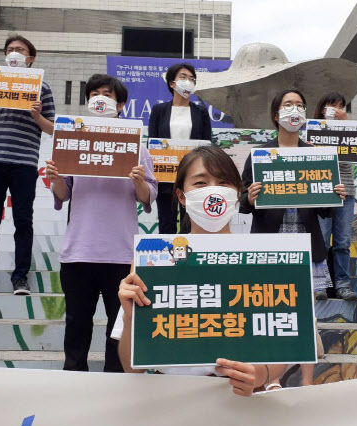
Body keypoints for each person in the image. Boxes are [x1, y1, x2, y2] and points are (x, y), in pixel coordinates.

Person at [115, 146, 289, 396]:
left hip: (237, 399)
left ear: (237, 192)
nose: (213, 190)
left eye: (223, 182)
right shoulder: (154, 259)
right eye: (200, 182)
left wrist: (262, 374)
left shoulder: (264, 257)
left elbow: (283, 341)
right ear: (182, 196)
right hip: (168, 399)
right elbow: (132, 368)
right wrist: (131, 318)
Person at [45, 74, 158, 373]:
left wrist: (138, 181)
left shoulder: (138, 148)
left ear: (121, 104)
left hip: (121, 254)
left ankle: (114, 385)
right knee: (76, 327)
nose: (100, 99)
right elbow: (63, 193)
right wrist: (56, 178)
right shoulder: (71, 142)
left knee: (116, 330)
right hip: (79, 252)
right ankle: (74, 381)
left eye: (107, 94)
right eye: (94, 93)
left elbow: (148, 196)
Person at [240, 89, 346, 386]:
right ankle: (270, 377)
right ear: (276, 114)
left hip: (305, 243)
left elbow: (325, 210)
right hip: (269, 243)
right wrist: (248, 197)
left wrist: (335, 196)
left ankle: (307, 380)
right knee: (268, 311)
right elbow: (243, 204)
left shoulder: (316, 154)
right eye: (288, 105)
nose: (294, 110)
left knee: (304, 314)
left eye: (299, 105)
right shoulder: (259, 155)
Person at [0, 35, 55, 296]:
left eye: (20, 50)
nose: (14, 54)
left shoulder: (44, 89)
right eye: (10, 50)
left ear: (31, 58)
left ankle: (20, 277)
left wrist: (36, 114)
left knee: (23, 220)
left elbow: (53, 129)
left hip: (24, 163)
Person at [149, 63, 212, 234]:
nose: (188, 82)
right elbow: (152, 145)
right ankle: (166, 260)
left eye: (192, 79)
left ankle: (188, 260)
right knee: (166, 224)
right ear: (172, 83)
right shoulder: (159, 110)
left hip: (192, 177)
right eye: (183, 77)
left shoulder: (201, 112)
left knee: (190, 224)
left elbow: (207, 146)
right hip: (165, 177)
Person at [313, 92, 357, 301]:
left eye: (341, 105)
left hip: (345, 190)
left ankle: (343, 285)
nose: (337, 109)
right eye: (333, 105)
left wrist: (346, 126)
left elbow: (349, 161)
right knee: (321, 239)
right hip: (319, 191)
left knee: (342, 242)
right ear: (323, 108)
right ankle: (319, 284)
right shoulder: (312, 131)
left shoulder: (350, 131)